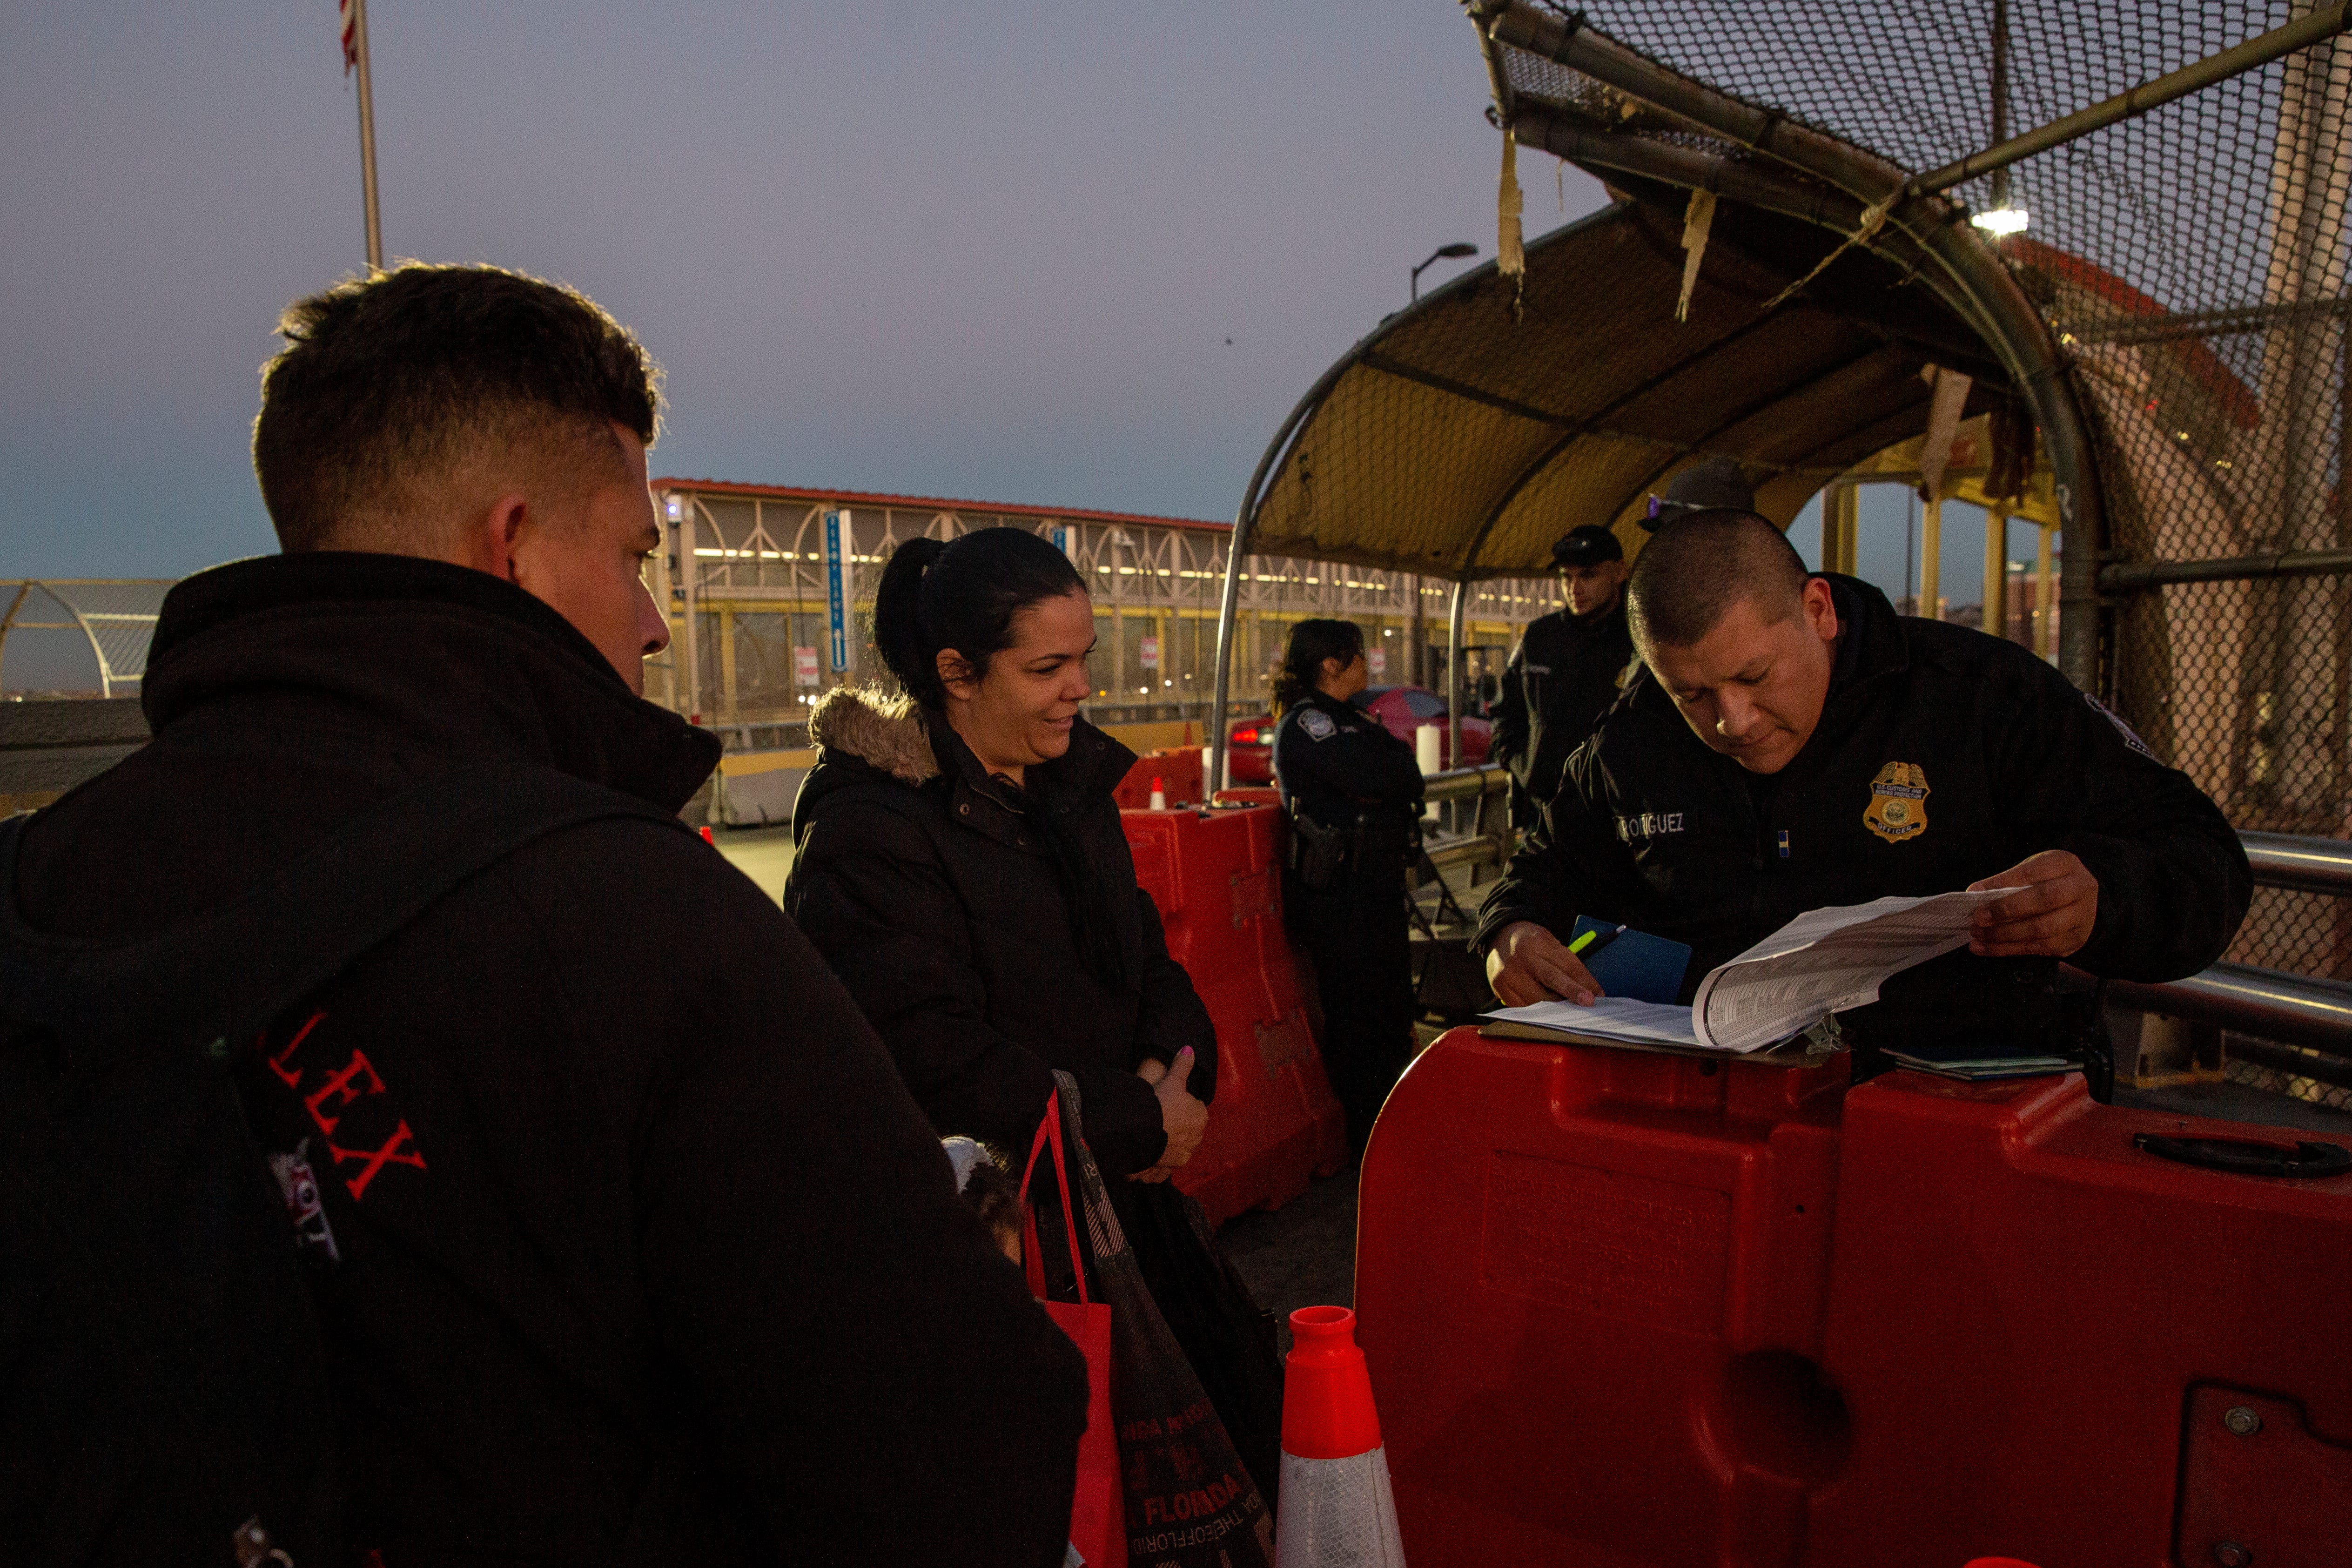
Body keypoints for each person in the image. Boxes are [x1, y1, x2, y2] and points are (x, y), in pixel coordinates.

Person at [6, 265, 1087, 1563]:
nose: (649, 622)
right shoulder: (629, 917)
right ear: (506, 541)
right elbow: (956, 1452)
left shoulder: (36, 886)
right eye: (634, 555)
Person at [782, 526, 1284, 1496]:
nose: (1079, 687)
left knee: (1228, 1456)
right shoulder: (870, 830)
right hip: (1001, 1253)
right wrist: (1143, 1115)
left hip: (1129, 1208)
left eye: (1083, 659)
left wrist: (1175, 1083)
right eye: (1048, 666)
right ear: (957, 673)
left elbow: (1147, 959)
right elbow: (930, 1057)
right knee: (1067, 1495)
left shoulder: (1066, 790)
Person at [1478, 509, 2251, 1058]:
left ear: (1816, 609)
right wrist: (1510, 935)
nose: (1732, 720)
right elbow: (1538, 870)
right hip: (1723, 1112)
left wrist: (2101, 897)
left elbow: (2201, 857)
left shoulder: (1978, 697)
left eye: (1754, 675)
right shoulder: (1632, 736)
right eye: (1692, 693)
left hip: (1953, 1114)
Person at [1270, 619, 1427, 1152]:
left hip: (1376, 894)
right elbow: (1373, 777)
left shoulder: (1351, 720)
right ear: (1331, 665)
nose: (1368, 666)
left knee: (1390, 1015)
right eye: (1358, 656)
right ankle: (1369, 1139)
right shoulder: (1307, 724)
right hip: (1339, 899)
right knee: (1358, 1024)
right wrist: (1385, 774)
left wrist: (1386, 774)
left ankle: (1393, 1130)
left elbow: (1406, 775)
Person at [1489, 524, 1633, 827]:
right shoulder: (1540, 637)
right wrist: (1523, 766)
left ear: (1620, 572)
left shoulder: (1638, 639)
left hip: (1617, 818)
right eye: (1566, 577)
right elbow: (1506, 710)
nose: (1574, 588)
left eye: (1588, 575)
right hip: (1546, 815)